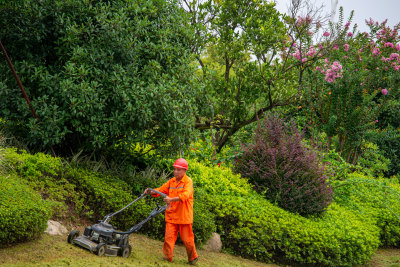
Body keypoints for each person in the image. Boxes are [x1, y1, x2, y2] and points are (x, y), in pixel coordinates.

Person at [144, 158, 198, 265]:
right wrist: (151, 191)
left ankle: (193, 258)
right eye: (175, 169)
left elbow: (186, 195)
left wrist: (171, 199)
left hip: (184, 217)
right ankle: (167, 257)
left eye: (178, 170)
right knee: (168, 238)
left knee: (187, 240)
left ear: (184, 170)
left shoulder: (188, 181)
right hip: (172, 215)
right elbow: (161, 190)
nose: (176, 172)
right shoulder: (171, 181)